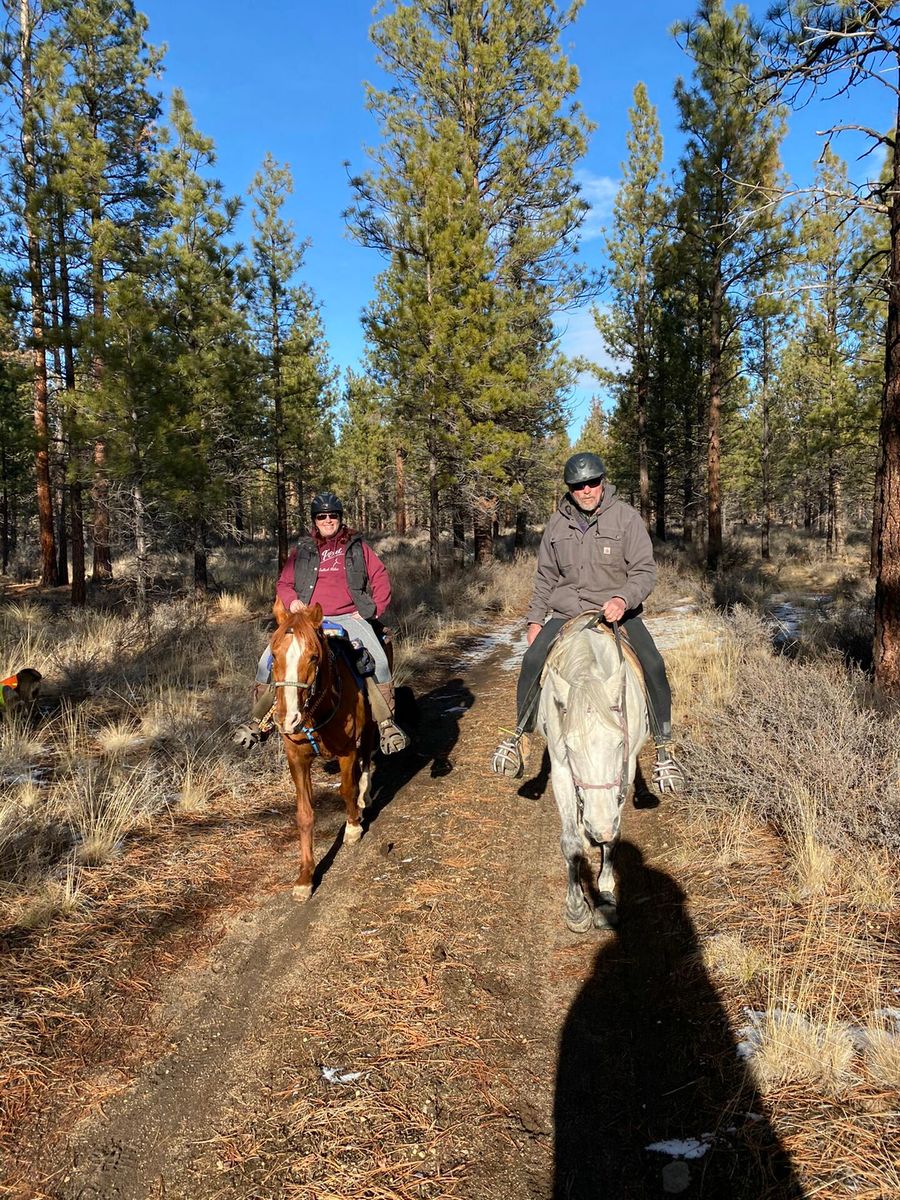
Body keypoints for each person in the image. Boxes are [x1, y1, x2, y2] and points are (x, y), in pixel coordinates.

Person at [490, 452, 684, 792]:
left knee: (653, 664)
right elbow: (545, 577)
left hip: (618, 614)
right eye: (578, 486)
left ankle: (664, 748)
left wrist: (623, 598)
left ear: (602, 482)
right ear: (570, 489)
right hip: (567, 612)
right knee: (532, 660)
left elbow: (644, 570)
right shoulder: (556, 524)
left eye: (592, 482)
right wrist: (535, 620)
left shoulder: (625, 518)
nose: (586, 490)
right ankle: (520, 735)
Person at [233, 492, 409, 754]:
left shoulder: (358, 547)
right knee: (266, 662)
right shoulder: (303, 550)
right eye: (321, 516)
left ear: (340, 518)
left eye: (332, 515)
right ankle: (261, 721)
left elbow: (380, 576)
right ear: (314, 520)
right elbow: (284, 583)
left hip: (349, 616)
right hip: (308, 619)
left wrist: (372, 610)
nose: (327, 520)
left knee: (379, 663)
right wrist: (292, 601)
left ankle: (385, 724)